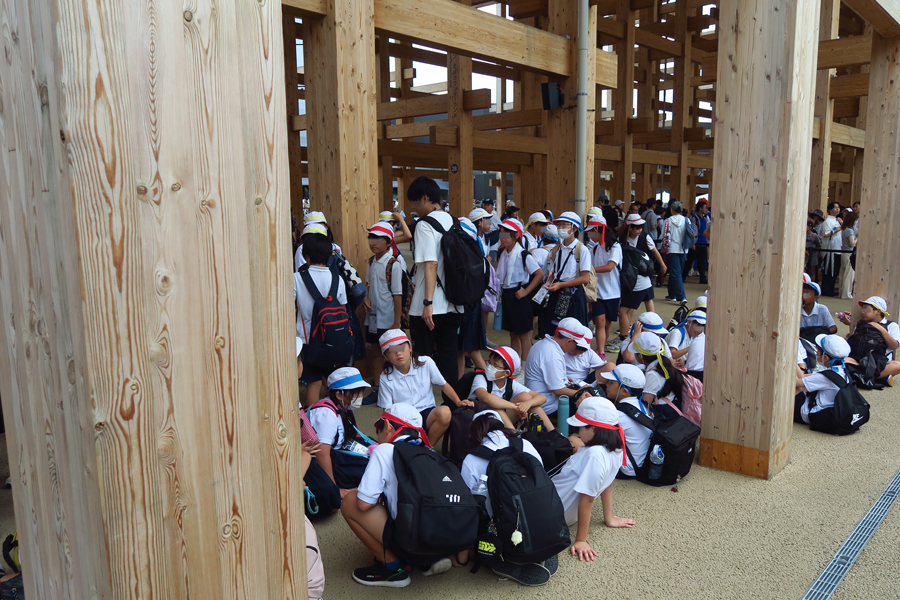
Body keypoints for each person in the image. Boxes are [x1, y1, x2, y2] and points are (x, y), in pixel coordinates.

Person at [341, 404, 449, 588]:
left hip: (413, 539)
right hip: (444, 538)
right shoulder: (431, 452)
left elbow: (364, 504)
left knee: (351, 501)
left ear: (388, 426)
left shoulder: (384, 450)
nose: (377, 434)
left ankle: (392, 569)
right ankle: (428, 559)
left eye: (379, 428)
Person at [552, 397, 635, 562]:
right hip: (567, 514)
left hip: (552, 509)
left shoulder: (594, 455)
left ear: (594, 429)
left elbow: (587, 499)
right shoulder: (617, 448)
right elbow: (607, 484)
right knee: (574, 442)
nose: (578, 430)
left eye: (581, 427)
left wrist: (581, 540)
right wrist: (609, 518)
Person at [406, 176, 463, 390]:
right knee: (448, 357)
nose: (413, 208)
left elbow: (431, 264)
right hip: (454, 302)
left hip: (429, 305)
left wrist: (427, 303)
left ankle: (424, 403)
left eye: (414, 202)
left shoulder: (424, 225)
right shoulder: (454, 222)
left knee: (422, 358)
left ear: (425, 198)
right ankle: (452, 403)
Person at [377, 330, 472, 445]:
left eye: (401, 348)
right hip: (403, 419)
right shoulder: (385, 377)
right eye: (392, 351)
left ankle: (427, 447)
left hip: (427, 413)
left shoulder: (426, 362)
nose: (398, 353)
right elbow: (387, 410)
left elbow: (443, 384)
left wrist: (458, 402)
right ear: (386, 356)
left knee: (445, 412)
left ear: (410, 348)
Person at [294, 232, 349, 407]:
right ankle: (338, 417)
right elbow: (342, 309)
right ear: (330, 255)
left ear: (306, 256)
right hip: (334, 339)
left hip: (308, 340)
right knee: (335, 381)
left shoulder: (297, 278)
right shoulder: (337, 279)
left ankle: (313, 419)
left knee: (314, 382)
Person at [306, 367, 372, 492]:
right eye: (356, 393)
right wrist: (334, 489)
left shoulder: (342, 406)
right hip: (328, 458)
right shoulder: (326, 415)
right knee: (369, 470)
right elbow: (321, 455)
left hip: (340, 448)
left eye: (361, 393)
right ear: (339, 395)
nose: (360, 397)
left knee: (375, 456)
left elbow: (353, 432)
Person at [496, 218, 544, 364]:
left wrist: (526, 291)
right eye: (501, 235)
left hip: (520, 296)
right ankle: (515, 364)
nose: (503, 239)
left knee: (523, 335)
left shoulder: (523, 254)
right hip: (508, 295)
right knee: (513, 333)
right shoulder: (503, 253)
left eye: (506, 235)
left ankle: (525, 366)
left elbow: (539, 274)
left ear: (516, 235)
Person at [468, 347, 550, 430]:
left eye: (495, 364)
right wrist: (515, 407)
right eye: (489, 362)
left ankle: (553, 434)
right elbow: (485, 398)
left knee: (526, 397)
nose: (489, 366)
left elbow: (542, 398)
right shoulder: (480, 378)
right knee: (497, 408)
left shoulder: (510, 383)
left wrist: (527, 404)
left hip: (499, 422)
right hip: (478, 424)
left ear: (507, 373)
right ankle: (514, 435)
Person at [525, 318, 591, 419]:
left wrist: (563, 378)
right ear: (569, 341)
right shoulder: (553, 355)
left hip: (540, 397)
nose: (575, 348)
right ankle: (554, 420)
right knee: (590, 406)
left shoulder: (542, 343)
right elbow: (558, 390)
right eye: (576, 345)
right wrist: (580, 392)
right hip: (549, 406)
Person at [540, 212, 592, 336]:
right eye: (559, 225)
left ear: (574, 228)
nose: (561, 228)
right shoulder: (557, 249)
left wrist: (561, 285)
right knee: (555, 330)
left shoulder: (582, 249)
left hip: (574, 295)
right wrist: (548, 282)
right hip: (556, 291)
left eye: (565, 225)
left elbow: (585, 278)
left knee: (573, 331)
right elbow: (553, 272)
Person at [619, 213, 667, 344]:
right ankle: (628, 326)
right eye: (637, 228)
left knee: (648, 299)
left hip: (644, 273)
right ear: (630, 228)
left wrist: (662, 265)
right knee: (633, 305)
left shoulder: (645, 237)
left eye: (641, 227)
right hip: (630, 275)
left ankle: (653, 325)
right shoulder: (622, 239)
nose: (640, 230)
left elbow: (654, 251)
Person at [598, 364, 652, 479]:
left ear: (624, 391)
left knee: (580, 444)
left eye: (611, 382)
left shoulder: (619, 415)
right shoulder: (642, 405)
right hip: (642, 463)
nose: (607, 384)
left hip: (628, 469)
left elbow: (595, 436)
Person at [794, 334, 851, 431]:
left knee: (795, 387)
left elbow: (793, 383)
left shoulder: (824, 377)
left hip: (811, 413)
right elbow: (813, 377)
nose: (816, 352)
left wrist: (793, 362)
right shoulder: (841, 370)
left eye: (818, 350)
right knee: (802, 382)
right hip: (830, 409)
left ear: (825, 357)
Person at [456, 217, 489, 375]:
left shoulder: (467, 256)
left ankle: (492, 381)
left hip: (466, 307)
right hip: (473, 305)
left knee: (469, 349)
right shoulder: (479, 255)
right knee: (461, 349)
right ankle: (459, 383)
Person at [839, 296, 900, 381]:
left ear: (878, 311)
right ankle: (874, 378)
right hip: (858, 360)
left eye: (867, 309)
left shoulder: (891, 325)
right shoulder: (861, 324)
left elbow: (894, 346)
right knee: (842, 361)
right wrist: (849, 323)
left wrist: (881, 329)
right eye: (863, 309)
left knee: (897, 365)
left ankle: (858, 376)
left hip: (879, 362)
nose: (863, 312)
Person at [586, 215, 622, 359]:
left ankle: (600, 348)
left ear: (596, 230)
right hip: (598, 293)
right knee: (599, 322)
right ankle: (600, 352)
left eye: (590, 232)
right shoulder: (594, 249)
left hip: (613, 292)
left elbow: (609, 267)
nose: (589, 235)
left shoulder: (615, 246)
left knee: (607, 324)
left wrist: (590, 270)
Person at [663, 200, 689, 302]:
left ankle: (681, 296)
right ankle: (672, 294)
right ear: (681, 210)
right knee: (678, 273)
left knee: (675, 273)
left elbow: (664, 235)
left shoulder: (667, 221)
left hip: (672, 249)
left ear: (671, 209)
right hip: (684, 248)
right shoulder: (686, 220)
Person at [820, 201, 843, 296]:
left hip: (837, 249)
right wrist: (836, 230)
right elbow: (826, 234)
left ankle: (831, 289)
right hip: (830, 250)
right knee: (829, 271)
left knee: (835, 271)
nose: (838, 209)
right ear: (830, 210)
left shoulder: (837, 221)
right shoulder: (827, 221)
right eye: (835, 207)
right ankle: (826, 290)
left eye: (838, 207)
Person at [839, 211, 858, 299]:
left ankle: (842, 292)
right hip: (849, 254)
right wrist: (858, 238)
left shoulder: (844, 229)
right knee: (848, 275)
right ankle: (847, 294)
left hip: (844, 253)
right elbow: (852, 243)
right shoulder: (849, 230)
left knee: (843, 273)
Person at [691, 200, 710, 285]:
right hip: (696, 242)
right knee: (690, 260)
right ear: (700, 208)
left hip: (703, 243)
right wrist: (693, 242)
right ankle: (683, 276)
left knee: (702, 261)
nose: (706, 209)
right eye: (705, 208)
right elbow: (692, 230)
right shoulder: (694, 218)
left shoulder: (705, 218)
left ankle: (702, 277)